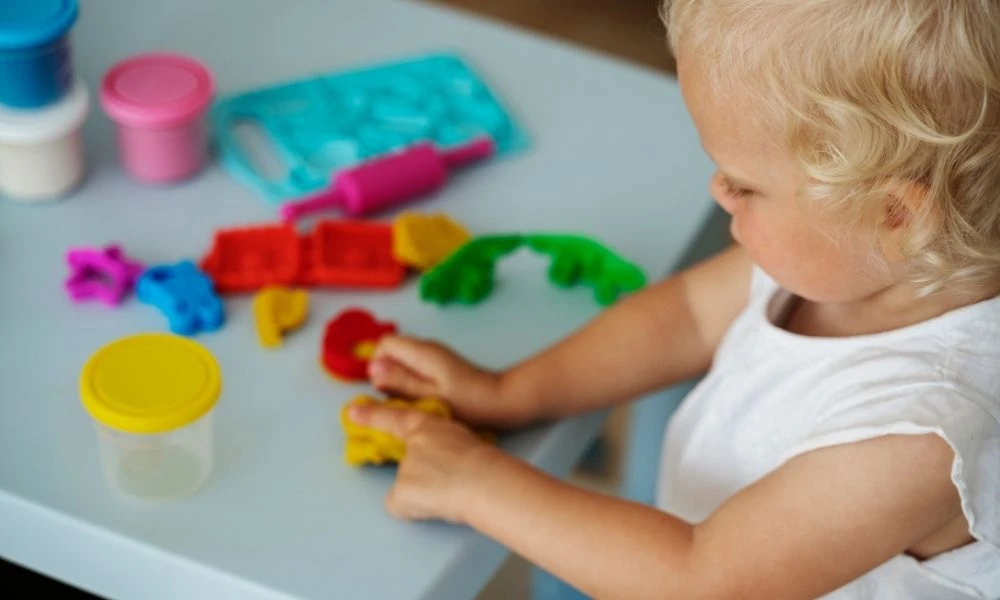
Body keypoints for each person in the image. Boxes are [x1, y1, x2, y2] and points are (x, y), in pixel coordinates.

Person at [348, 1, 1000, 597]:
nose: (718, 191)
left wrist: (474, 483)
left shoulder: (925, 434)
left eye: (744, 185)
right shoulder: (848, 262)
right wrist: (511, 391)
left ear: (892, 215)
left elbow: (698, 580)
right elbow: (685, 315)